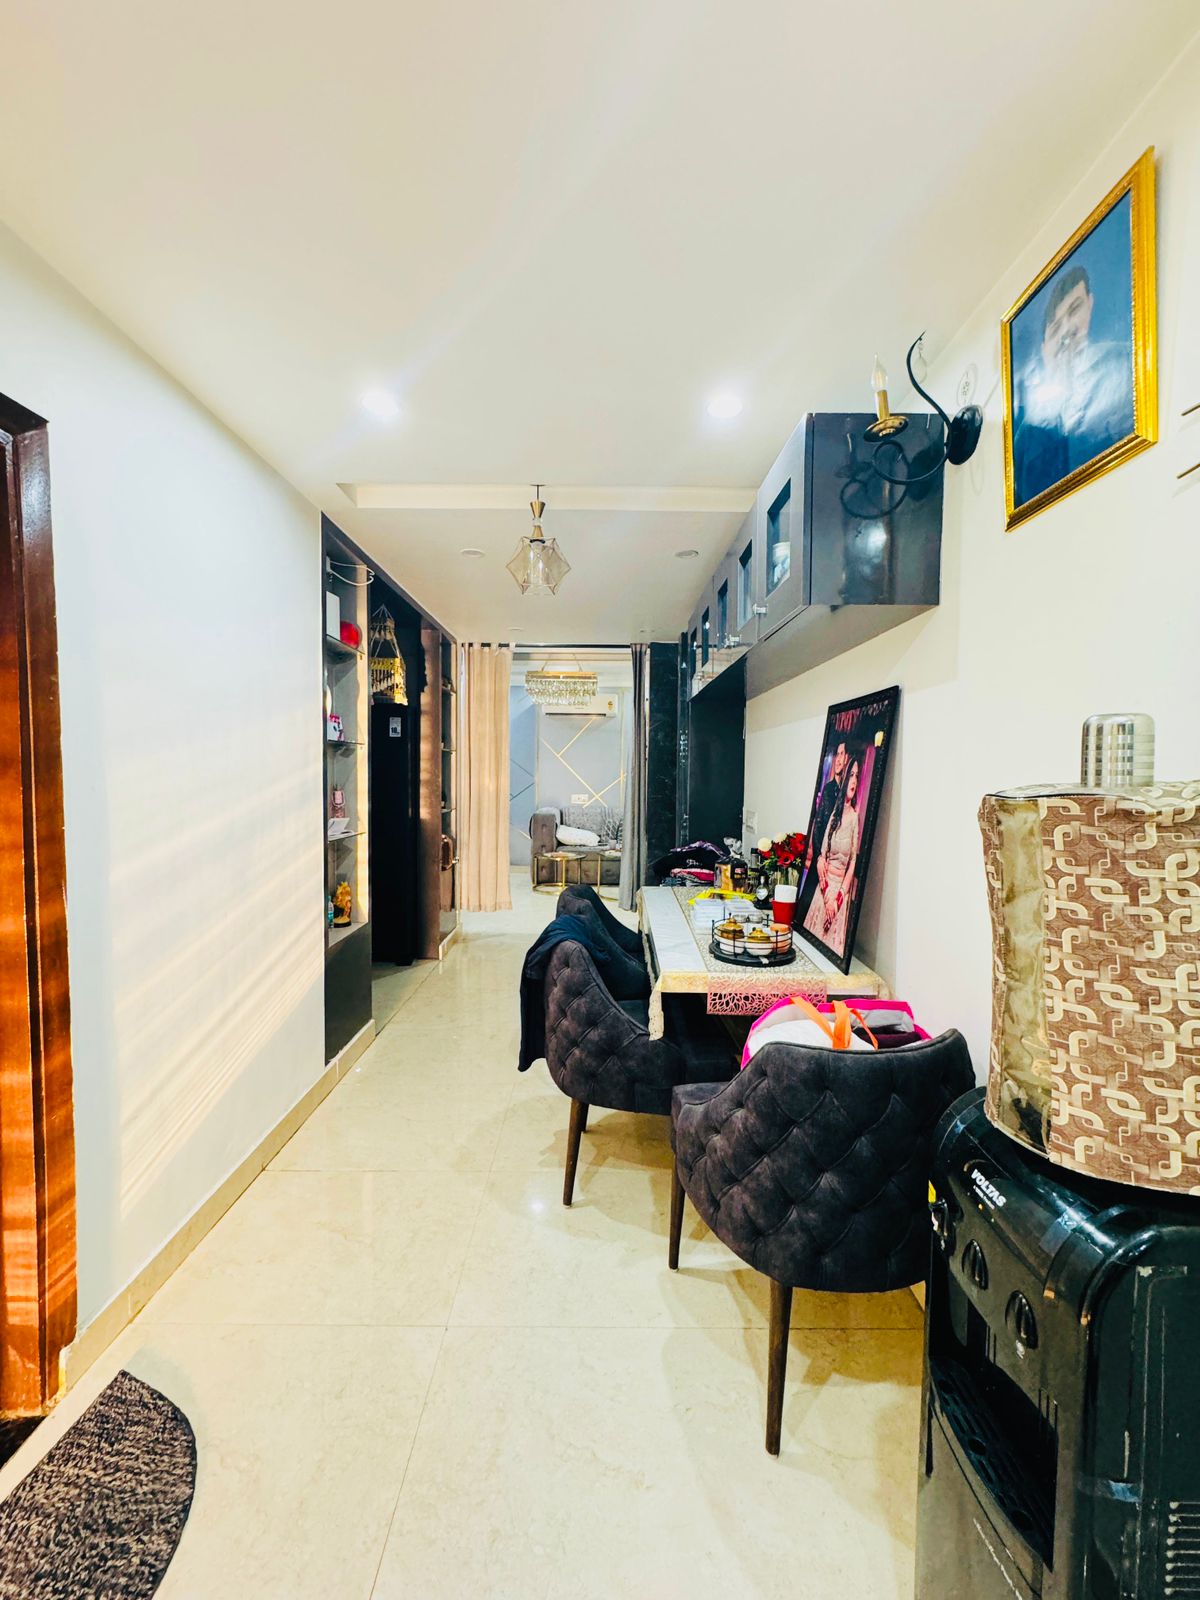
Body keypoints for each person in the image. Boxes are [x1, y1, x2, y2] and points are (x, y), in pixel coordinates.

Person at [1013, 262, 1134, 505]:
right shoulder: (1026, 435)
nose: (1066, 330)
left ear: (1090, 305)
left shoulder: (1125, 362)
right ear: (1044, 349)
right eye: (1055, 328)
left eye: (1074, 309)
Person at [803, 756, 861, 957]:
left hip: (838, 899)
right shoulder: (834, 815)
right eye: (851, 775)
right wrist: (827, 894)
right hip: (824, 891)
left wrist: (837, 899)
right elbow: (823, 855)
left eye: (857, 776)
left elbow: (853, 861)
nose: (854, 781)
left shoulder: (854, 818)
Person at [796, 739, 847, 924]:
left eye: (842, 754)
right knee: (809, 898)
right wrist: (819, 857)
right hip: (821, 857)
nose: (838, 759)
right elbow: (818, 826)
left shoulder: (846, 794)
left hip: (835, 860)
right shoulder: (829, 789)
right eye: (837, 754)